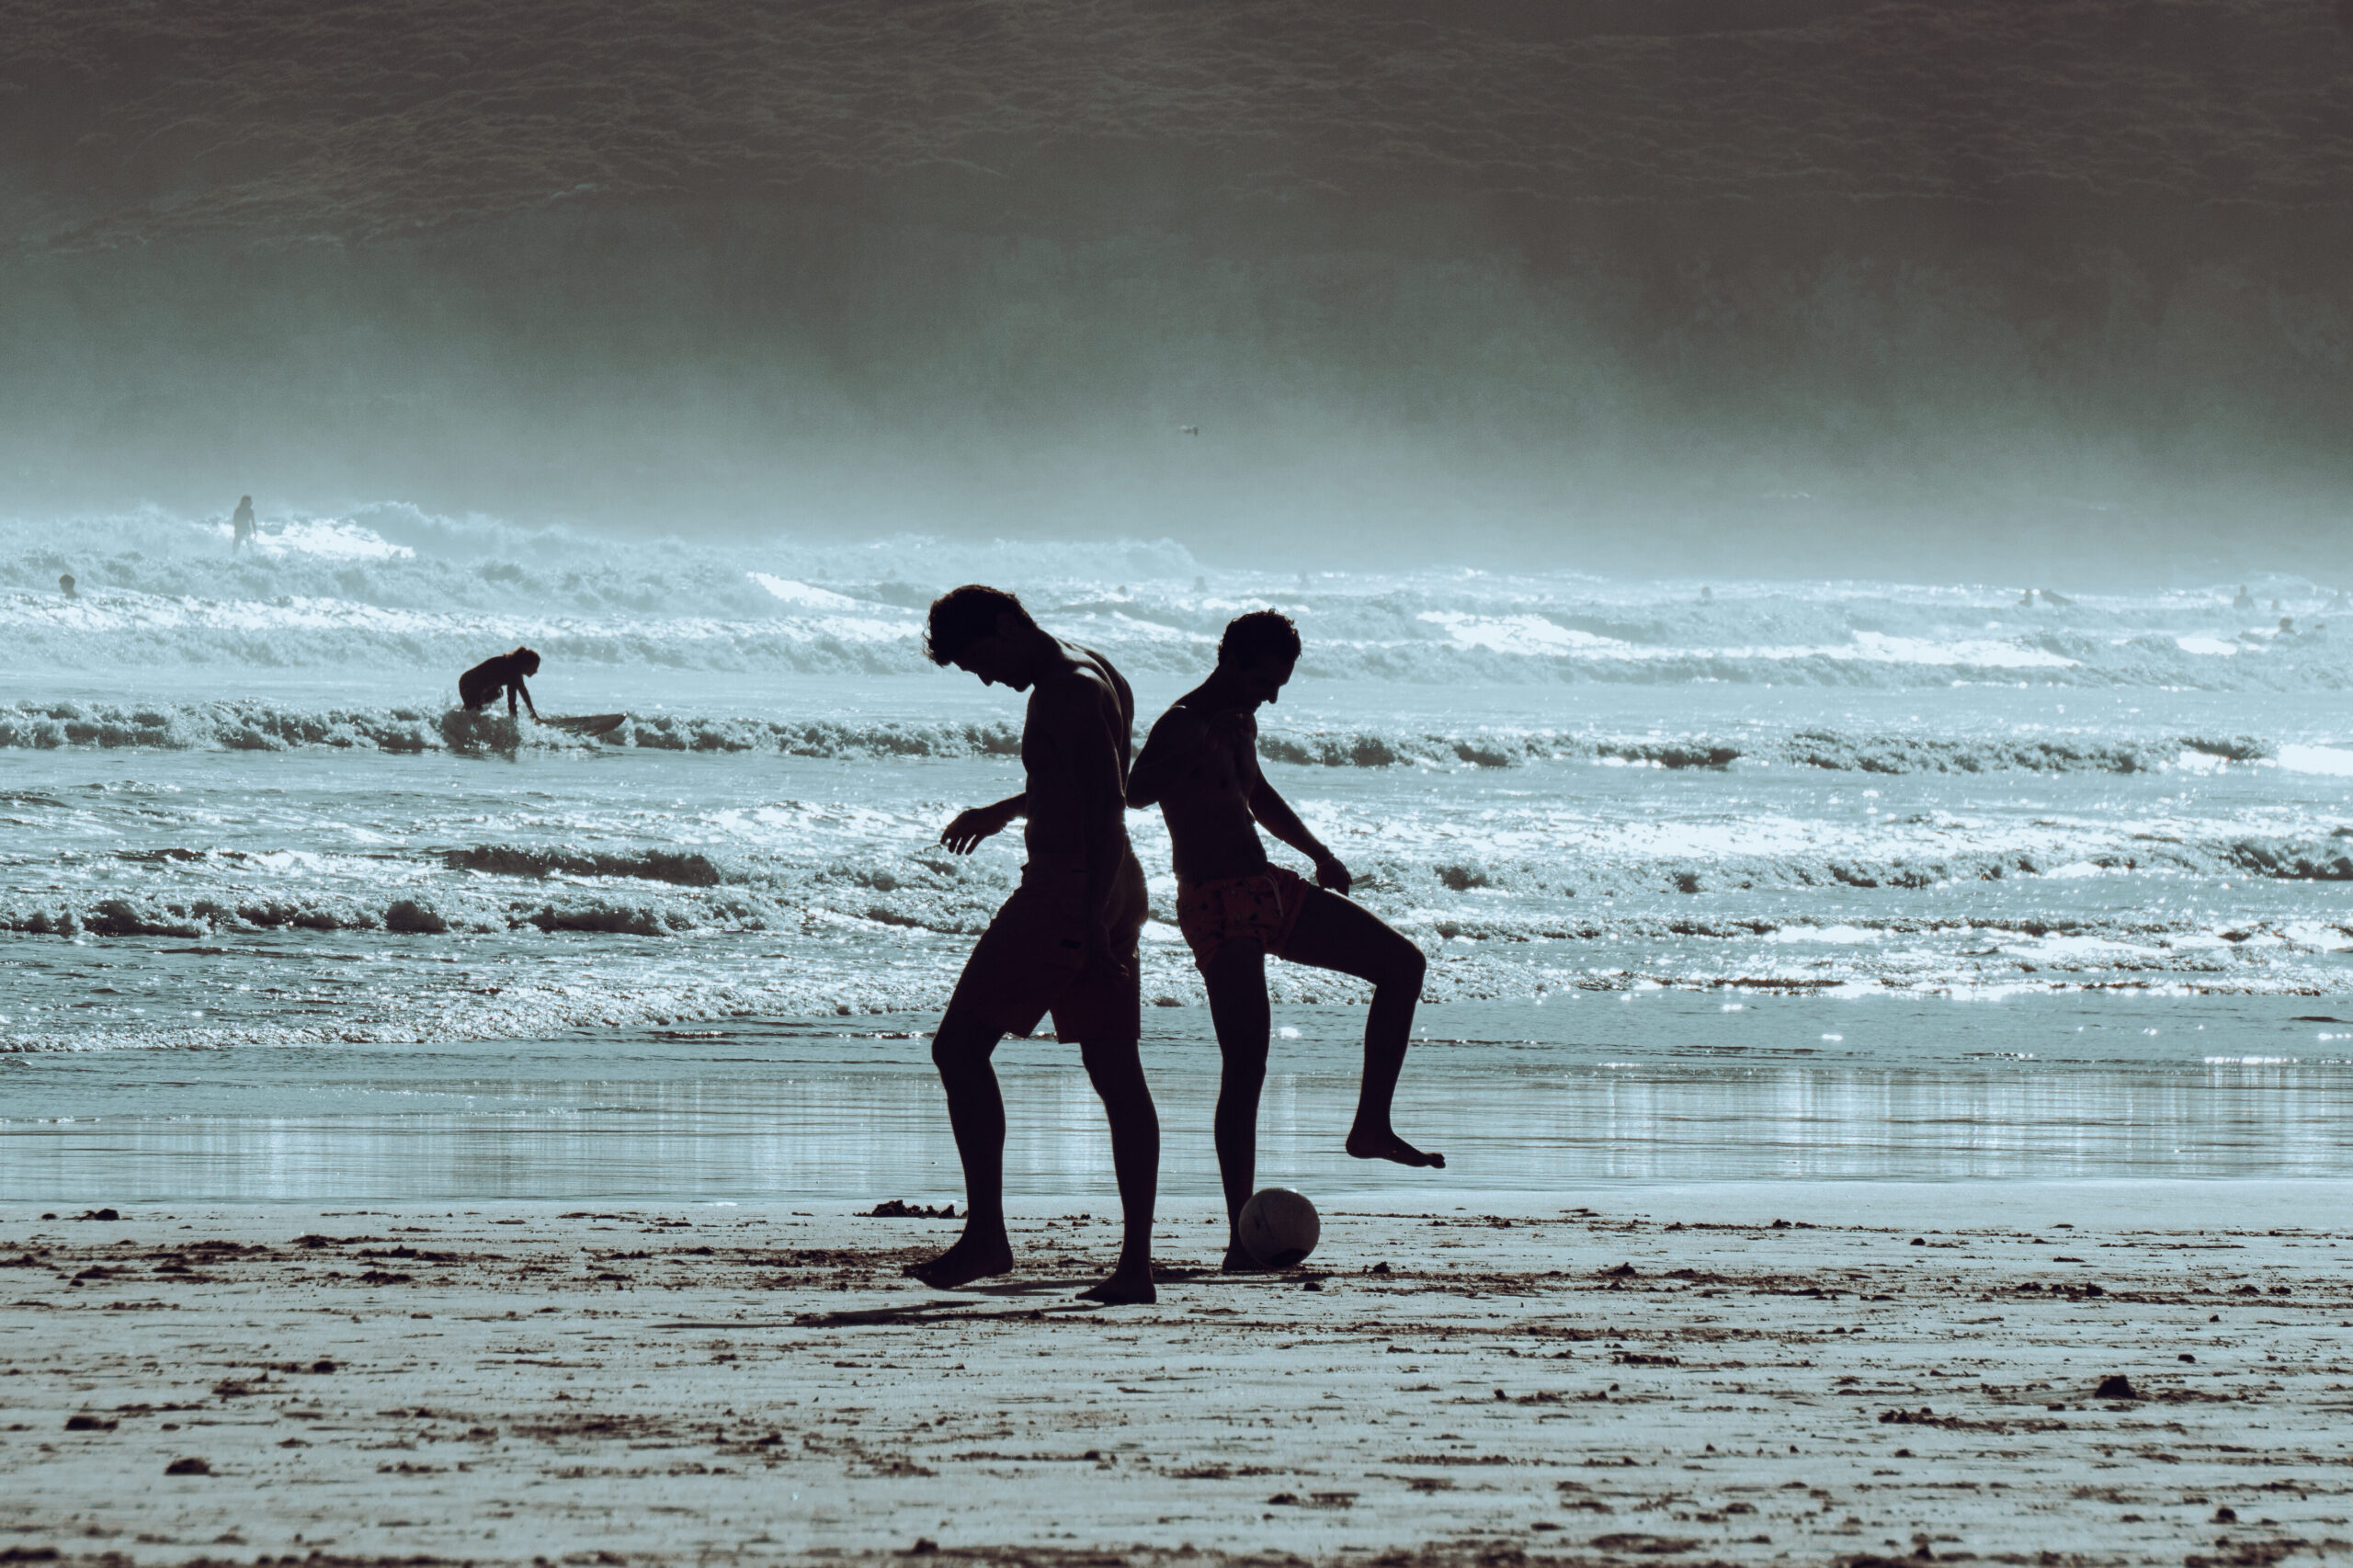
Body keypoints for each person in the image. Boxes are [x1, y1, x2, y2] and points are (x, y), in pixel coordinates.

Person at [1125, 609, 1441, 1274]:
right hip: (1215, 903)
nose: (1271, 695)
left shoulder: (1242, 718)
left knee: (1402, 965)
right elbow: (1134, 792)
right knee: (1247, 1066)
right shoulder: (1184, 721)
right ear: (1233, 663)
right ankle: (1242, 1238)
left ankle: (1371, 1126)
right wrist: (1196, 741)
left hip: (1266, 886)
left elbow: (1256, 793)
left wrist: (1318, 852)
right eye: (1266, 681)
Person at [910, 585, 1159, 1304]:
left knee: (958, 1049)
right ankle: (1134, 1268)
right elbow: (1090, 781)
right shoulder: (1098, 669)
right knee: (1116, 1072)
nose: (986, 677)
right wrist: (1009, 808)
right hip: (1112, 886)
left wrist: (1082, 917)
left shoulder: (1064, 690)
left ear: (1009, 623)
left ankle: (987, 1235)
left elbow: (1108, 810)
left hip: (1068, 887)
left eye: (980, 659)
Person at [458, 647, 542, 719]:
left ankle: (461, 713)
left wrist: (533, 713)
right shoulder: (513, 671)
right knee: (474, 715)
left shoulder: (515, 668)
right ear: (525, 665)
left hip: (470, 682)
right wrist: (514, 725)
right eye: (534, 667)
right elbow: (512, 702)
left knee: (498, 693)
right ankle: (460, 717)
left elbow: (523, 691)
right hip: (468, 684)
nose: (536, 671)